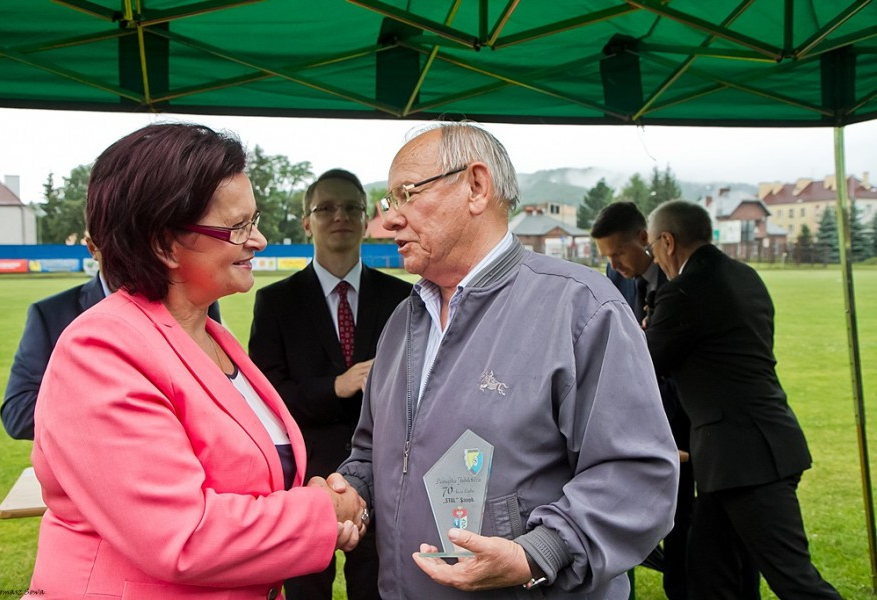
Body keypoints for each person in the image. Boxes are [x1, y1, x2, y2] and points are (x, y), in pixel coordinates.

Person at [25, 123, 367, 600]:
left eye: (255, 219)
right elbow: (182, 534)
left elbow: (243, 479)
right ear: (165, 245)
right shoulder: (101, 350)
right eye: (239, 226)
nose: (260, 240)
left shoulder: (212, 335)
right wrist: (320, 512)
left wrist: (312, 501)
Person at [339, 122, 679, 599]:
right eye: (389, 202)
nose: (390, 219)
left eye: (407, 194)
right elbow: (375, 451)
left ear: (476, 186)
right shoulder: (404, 320)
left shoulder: (580, 308)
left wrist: (539, 552)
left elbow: (637, 473)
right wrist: (351, 489)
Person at [644, 200, 840, 599]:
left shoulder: (684, 292)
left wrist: (643, 331)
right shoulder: (745, 276)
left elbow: (645, 365)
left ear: (667, 241)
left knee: (795, 580)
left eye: (651, 246)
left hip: (745, 458)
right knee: (709, 573)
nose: (654, 257)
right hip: (750, 449)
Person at [249, 169, 411, 600]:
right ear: (307, 220)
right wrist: (335, 386)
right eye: (326, 208)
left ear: (364, 218)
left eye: (351, 207)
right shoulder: (276, 301)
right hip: (306, 477)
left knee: (377, 590)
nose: (339, 216)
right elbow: (266, 398)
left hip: (384, 475)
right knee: (306, 593)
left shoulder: (402, 298)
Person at [1, 237, 221, 440]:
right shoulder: (52, 314)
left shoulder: (193, 306)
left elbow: (216, 388)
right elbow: (18, 413)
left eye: (134, 241)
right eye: (116, 242)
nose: (129, 254)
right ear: (92, 248)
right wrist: (128, 407)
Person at [591, 201, 693, 600]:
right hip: (627, 421)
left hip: (680, 422)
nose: (614, 264)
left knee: (682, 517)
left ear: (644, 239)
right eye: (606, 257)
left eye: (618, 253)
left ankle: (679, 582)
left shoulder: (679, 283)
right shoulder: (614, 280)